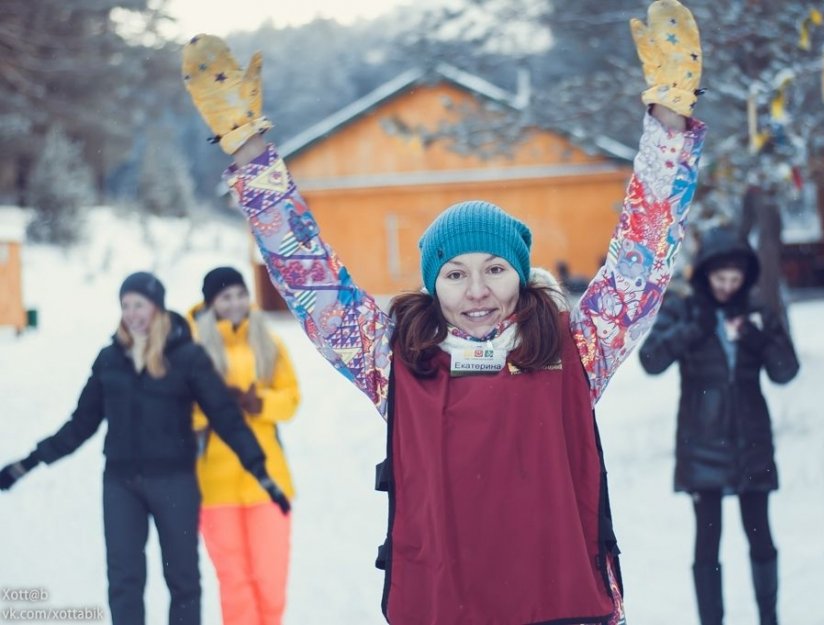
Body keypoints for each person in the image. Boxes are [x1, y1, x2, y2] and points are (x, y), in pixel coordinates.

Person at [182, 0, 706, 621]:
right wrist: (250, 157)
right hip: (441, 607)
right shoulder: (395, 359)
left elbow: (640, 256)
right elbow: (310, 278)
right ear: (433, 286)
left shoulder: (574, 348)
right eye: (455, 275)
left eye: (495, 270)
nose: (476, 290)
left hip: (563, 602)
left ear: (522, 275)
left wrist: (668, 124)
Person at [0, 272, 290, 625]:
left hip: (176, 483)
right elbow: (81, 424)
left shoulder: (186, 356)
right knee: (124, 581)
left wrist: (258, 467)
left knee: (183, 581)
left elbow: (225, 416)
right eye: (125, 305)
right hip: (122, 485)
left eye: (140, 304)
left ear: (157, 306)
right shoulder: (110, 359)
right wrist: (28, 463)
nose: (132, 313)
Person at [638, 227, 800, 625]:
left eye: (735, 279)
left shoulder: (757, 310)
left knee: (760, 536)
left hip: (752, 441)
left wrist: (758, 337)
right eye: (720, 279)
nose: (728, 287)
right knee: (707, 544)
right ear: (705, 274)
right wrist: (701, 327)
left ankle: (769, 618)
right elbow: (651, 360)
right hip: (702, 444)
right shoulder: (686, 309)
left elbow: (786, 372)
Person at [188, 267, 300, 625]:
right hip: (214, 485)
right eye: (225, 297)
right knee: (234, 581)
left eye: (240, 294)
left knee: (271, 579)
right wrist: (216, 405)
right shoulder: (194, 350)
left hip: (268, 479)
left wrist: (260, 402)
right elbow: (182, 413)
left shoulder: (267, 341)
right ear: (211, 303)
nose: (235, 303)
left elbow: (291, 398)